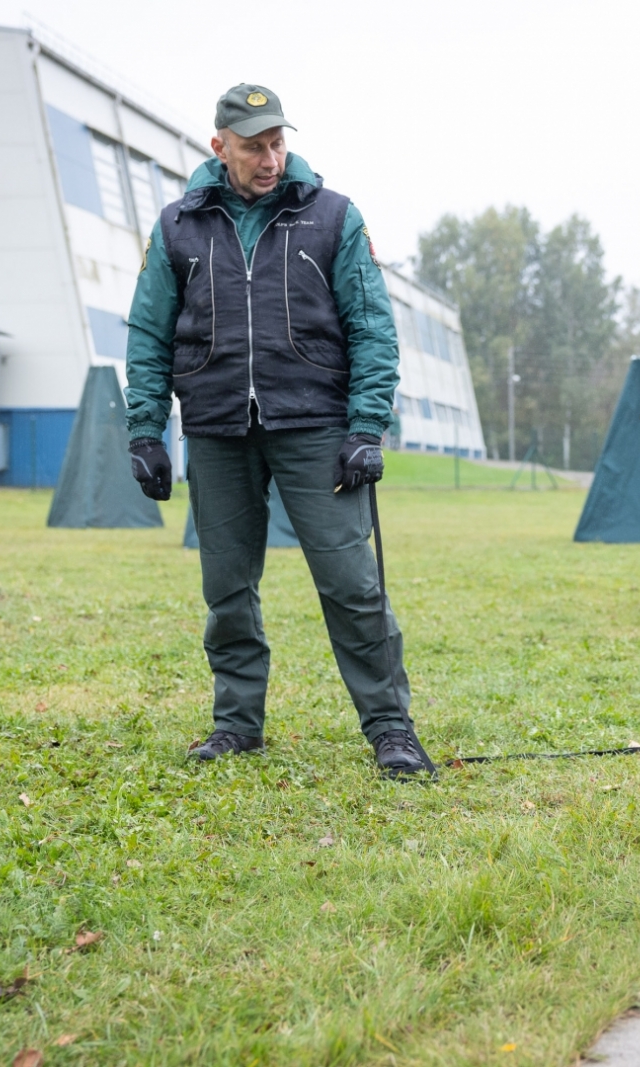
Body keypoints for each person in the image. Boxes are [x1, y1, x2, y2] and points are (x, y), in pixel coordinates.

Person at [123, 84, 432, 776]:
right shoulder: (178, 226)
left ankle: (392, 730)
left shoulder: (333, 218)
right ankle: (236, 724)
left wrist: (365, 427)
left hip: (317, 429)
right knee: (227, 587)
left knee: (353, 583)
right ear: (219, 147)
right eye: (254, 146)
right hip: (216, 429)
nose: (270, 158)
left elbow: (372, 328)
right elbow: (147, 334)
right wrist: (146, 430)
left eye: (277, 143)